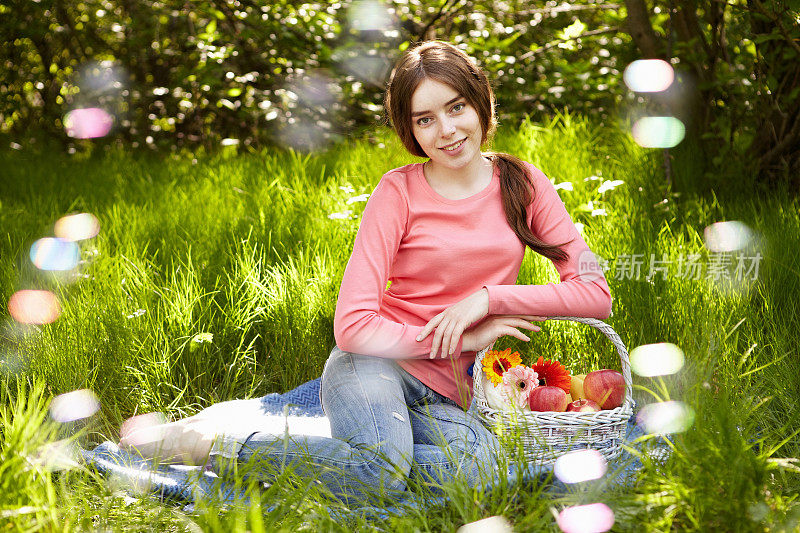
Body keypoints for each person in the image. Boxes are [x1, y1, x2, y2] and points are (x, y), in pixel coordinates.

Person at [120, 40, 612, 502]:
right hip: (373, 365)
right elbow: (353, 327)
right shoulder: (396, 193)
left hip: (452, 393)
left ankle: (354, 457)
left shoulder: (522, 182)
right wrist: (462, 338)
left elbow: (594, 293)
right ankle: (205, 445)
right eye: (425, 119)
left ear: (481, 102)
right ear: (410, 130)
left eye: (457, 107)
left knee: (480, 474)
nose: (447, 130)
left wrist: (489, 299)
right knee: (380, 473)